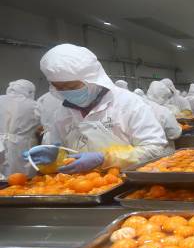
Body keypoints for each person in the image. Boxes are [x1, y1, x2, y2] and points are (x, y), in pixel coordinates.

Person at [27, 44, 167, 173]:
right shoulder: (62, 112)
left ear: (93, 79)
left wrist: (105, 158)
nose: (66, 93)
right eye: (59, 88)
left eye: (72, 87)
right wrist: (54, 156)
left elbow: (155, 149)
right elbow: (64, 153)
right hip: (82, 186)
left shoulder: (128, 104)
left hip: (127, 183)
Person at [0, 80, 39, 179]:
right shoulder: (34, 105)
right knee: (21, 178)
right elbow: (42, 124)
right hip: (22, 144)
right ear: (29, 91)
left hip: (1, 144)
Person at [144, 81, 182, 153]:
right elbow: (174, 134)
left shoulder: (137, 105)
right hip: (162, 153)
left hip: (140, 154)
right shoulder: (163, 111)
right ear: (164, 96)